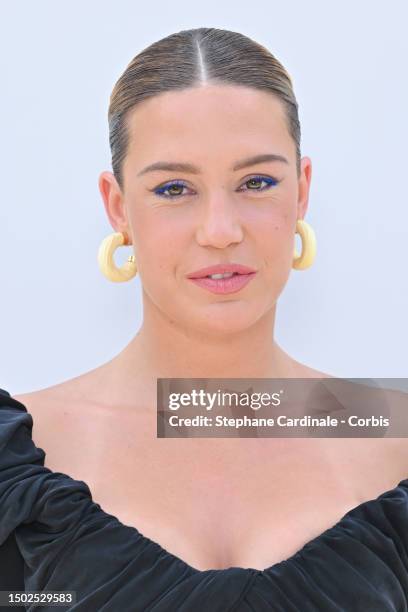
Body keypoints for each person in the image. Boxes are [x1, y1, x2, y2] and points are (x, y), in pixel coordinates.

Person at [1, 26, 408, 611]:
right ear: (118, 207)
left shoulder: (392, 438)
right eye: (174, 188)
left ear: (302, 191)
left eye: (257, 182)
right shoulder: (18, 457)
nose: (221, 230)